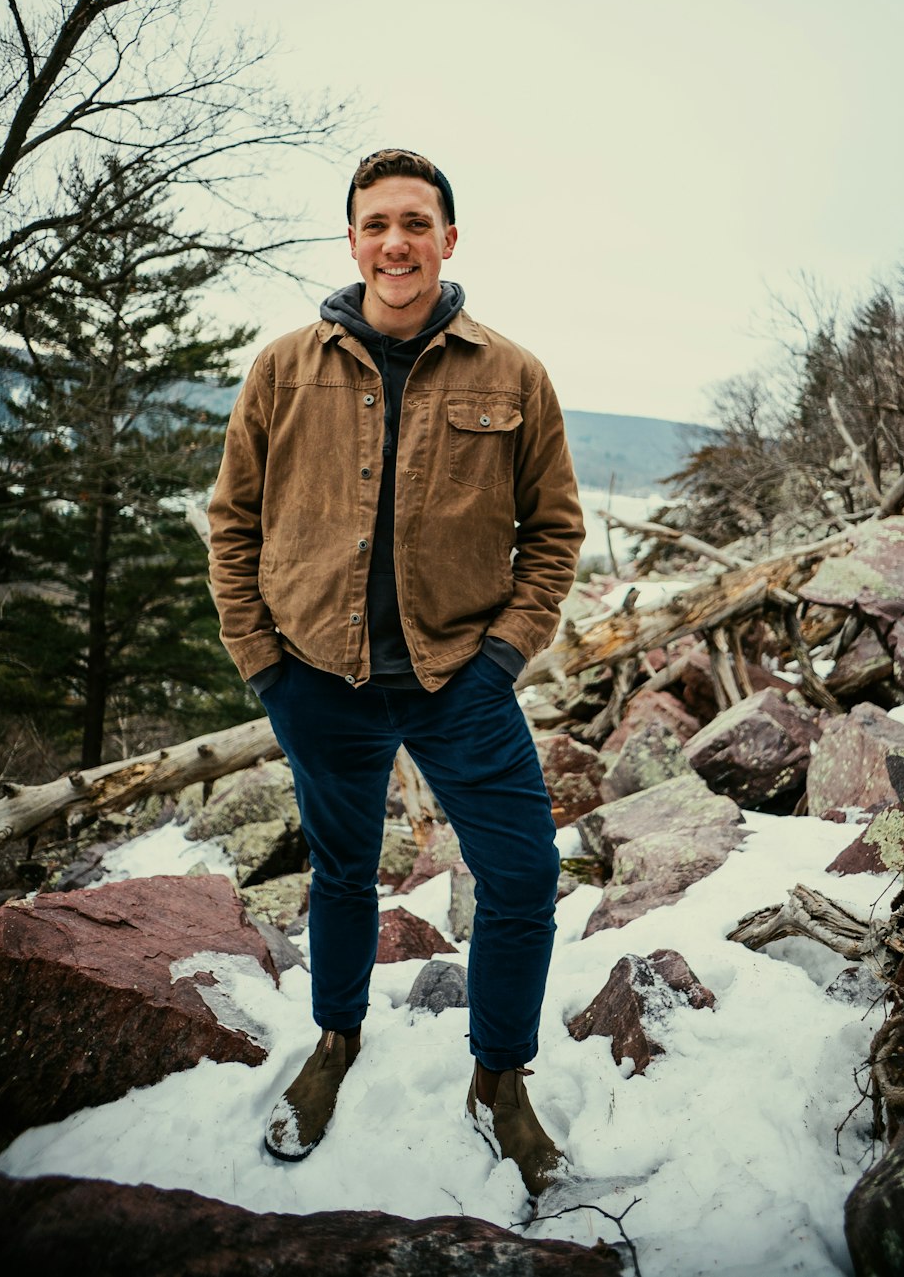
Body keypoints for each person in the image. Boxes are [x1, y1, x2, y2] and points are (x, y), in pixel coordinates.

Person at [208, 148, 584, 1195]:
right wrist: (261, 661)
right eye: (376, 223)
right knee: (340, 872)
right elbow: (232, 522)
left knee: (520, 878)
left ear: (448, 240)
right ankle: (335, 1042)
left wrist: (504, 654)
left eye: (416, 222)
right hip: (316, 680)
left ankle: (499, 1079)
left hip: (460, 678)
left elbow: (553, 534)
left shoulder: (513, 375)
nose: (396, 242)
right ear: (352, 240)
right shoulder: (285, 368)